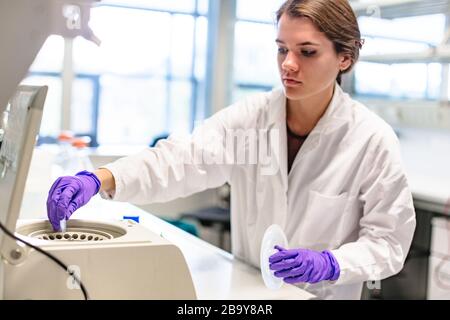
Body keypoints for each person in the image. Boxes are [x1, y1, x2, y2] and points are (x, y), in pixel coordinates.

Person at [46, 0, 416, 299]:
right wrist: (100, 178)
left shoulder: (371, 140)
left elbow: (388, 242)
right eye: (282, 48)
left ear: (345, 59)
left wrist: (332, 264)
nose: (288, 63)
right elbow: (181, 159)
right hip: (249, 293)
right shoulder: (252, 119)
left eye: (306, 51)